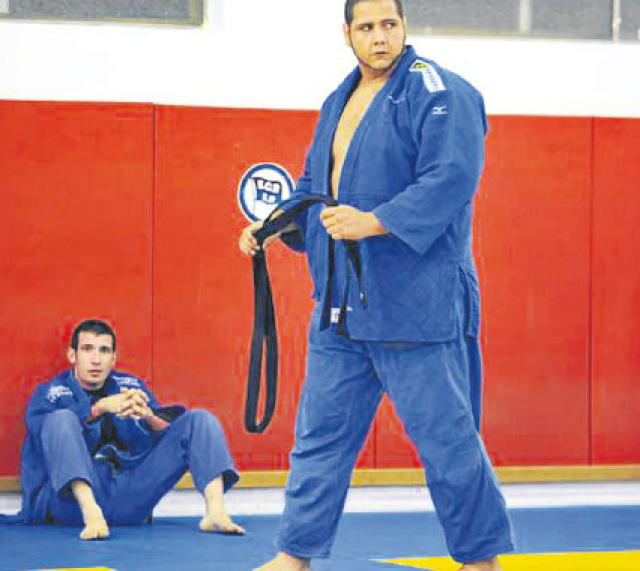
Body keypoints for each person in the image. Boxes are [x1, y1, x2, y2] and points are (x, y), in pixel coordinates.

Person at [238, 0, 514, 569]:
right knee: (319, 440)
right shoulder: (338, 101)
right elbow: (315, 184)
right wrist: (272, 227)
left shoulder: (440, 91)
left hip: (418, 305)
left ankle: (482, 560)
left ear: (404, 27)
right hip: (342, 308)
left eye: (389, 24)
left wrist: (377, 219)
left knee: (449, 445)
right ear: (347, 35)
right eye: (366, 27)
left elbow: (452, 177)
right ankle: (295, 555)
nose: (379, 37)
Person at [1, 318, 244, 540]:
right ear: (72, 355)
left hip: (130, 495)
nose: (96, 359)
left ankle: (216, 512)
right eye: (87, 349)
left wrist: (147, 415)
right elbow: (43, 432)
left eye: (104, 351)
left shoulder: (130, 386)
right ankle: (91, 513)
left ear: (113, 359)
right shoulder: (50, 392)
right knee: (60, 419)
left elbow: (170, 433)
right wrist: (99, 408)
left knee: (199, 420)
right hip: (70, 504)